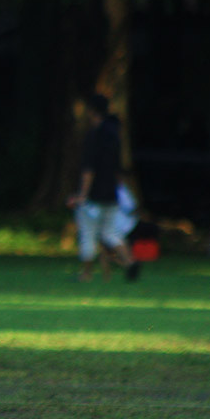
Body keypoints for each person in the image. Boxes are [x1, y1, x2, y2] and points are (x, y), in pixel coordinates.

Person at [67, 95, 139, 282]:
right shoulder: (114, 134)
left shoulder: (94, 134)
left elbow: (88, 169)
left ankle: (86, 273)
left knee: (88, 234)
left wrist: (82, 194)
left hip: (93, 196)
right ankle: (130, 261)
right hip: (110, 193)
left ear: (92, 111)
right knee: (110, 233)